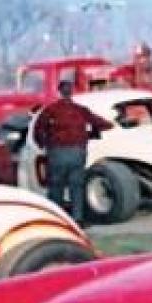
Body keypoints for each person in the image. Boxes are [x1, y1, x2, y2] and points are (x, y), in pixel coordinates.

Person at [33, 80, 115, 224]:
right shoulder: (81, 110)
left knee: (56, 186)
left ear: (59, 92)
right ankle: (78, 218)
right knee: (76, 186)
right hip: (77, 151)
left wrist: (43, 144)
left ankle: (56, 218)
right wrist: (94, 133)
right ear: (72, 91)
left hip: (57, 152)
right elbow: (102, 123)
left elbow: (38, 129)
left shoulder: (50, 110)